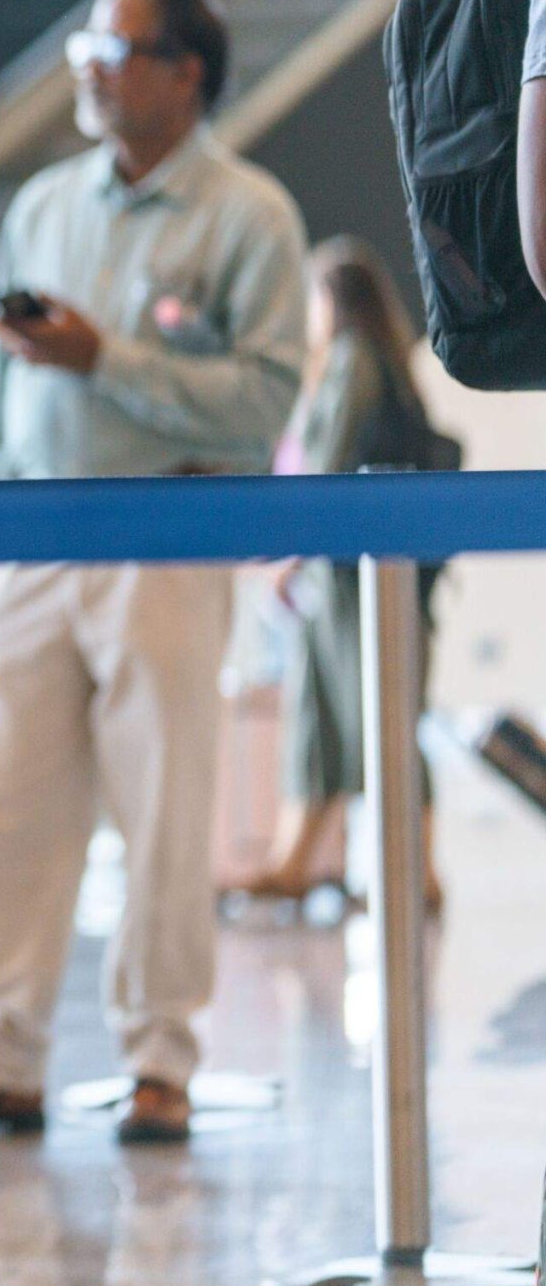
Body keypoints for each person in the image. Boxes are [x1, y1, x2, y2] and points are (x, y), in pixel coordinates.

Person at [0, 0, 307, 1145]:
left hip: (162, 540)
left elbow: (264, 397)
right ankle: (0, 1058)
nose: (89, 69)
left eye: (113, 50)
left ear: (186, 73)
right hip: (24, 539)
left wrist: (105, 358)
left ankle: (161, 1061)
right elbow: (6, 389)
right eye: (84, 46)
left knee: (164, 810)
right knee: (5, 808)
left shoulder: (247, 215)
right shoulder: (44, 203)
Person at [235, 238, 446, 908]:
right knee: (321, 718)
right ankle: (294, 857)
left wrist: (290, 552)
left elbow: (326, 462)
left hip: (354, 577)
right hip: (332, 580)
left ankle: (420, 872)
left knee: (377, 718)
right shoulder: (356, 363)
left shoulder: (354, 362)